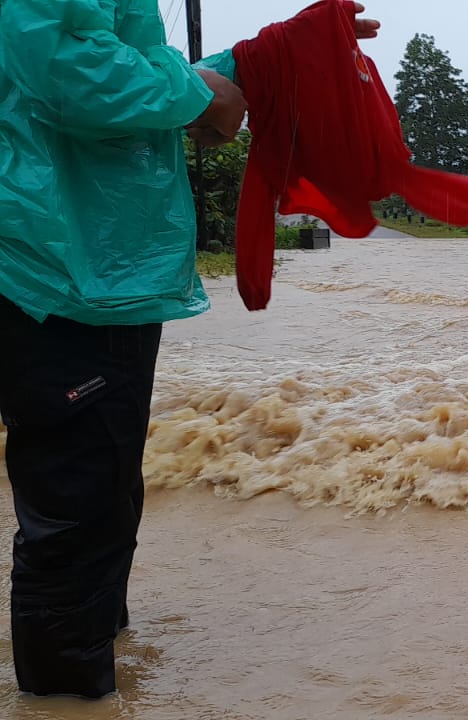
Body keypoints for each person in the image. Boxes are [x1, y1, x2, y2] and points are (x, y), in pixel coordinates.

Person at [0, 0, 378, 699]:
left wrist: (260, 60)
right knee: (76, 506)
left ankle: (93, 679)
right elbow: (53, 61)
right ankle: (63, 699)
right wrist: (199, 92)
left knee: (103, 488)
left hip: (93, 259)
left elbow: (113, 54)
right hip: (54, 260)